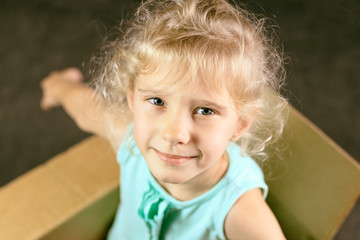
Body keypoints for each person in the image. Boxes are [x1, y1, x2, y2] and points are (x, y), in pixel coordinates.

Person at [40, 0, 287, 239]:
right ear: (132, 101)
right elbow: (86, 109)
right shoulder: (131, 142)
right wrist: (59, 87)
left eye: (205, 111)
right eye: (157, 101)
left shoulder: (239, 212)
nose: (174, 133)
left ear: (241, 123)